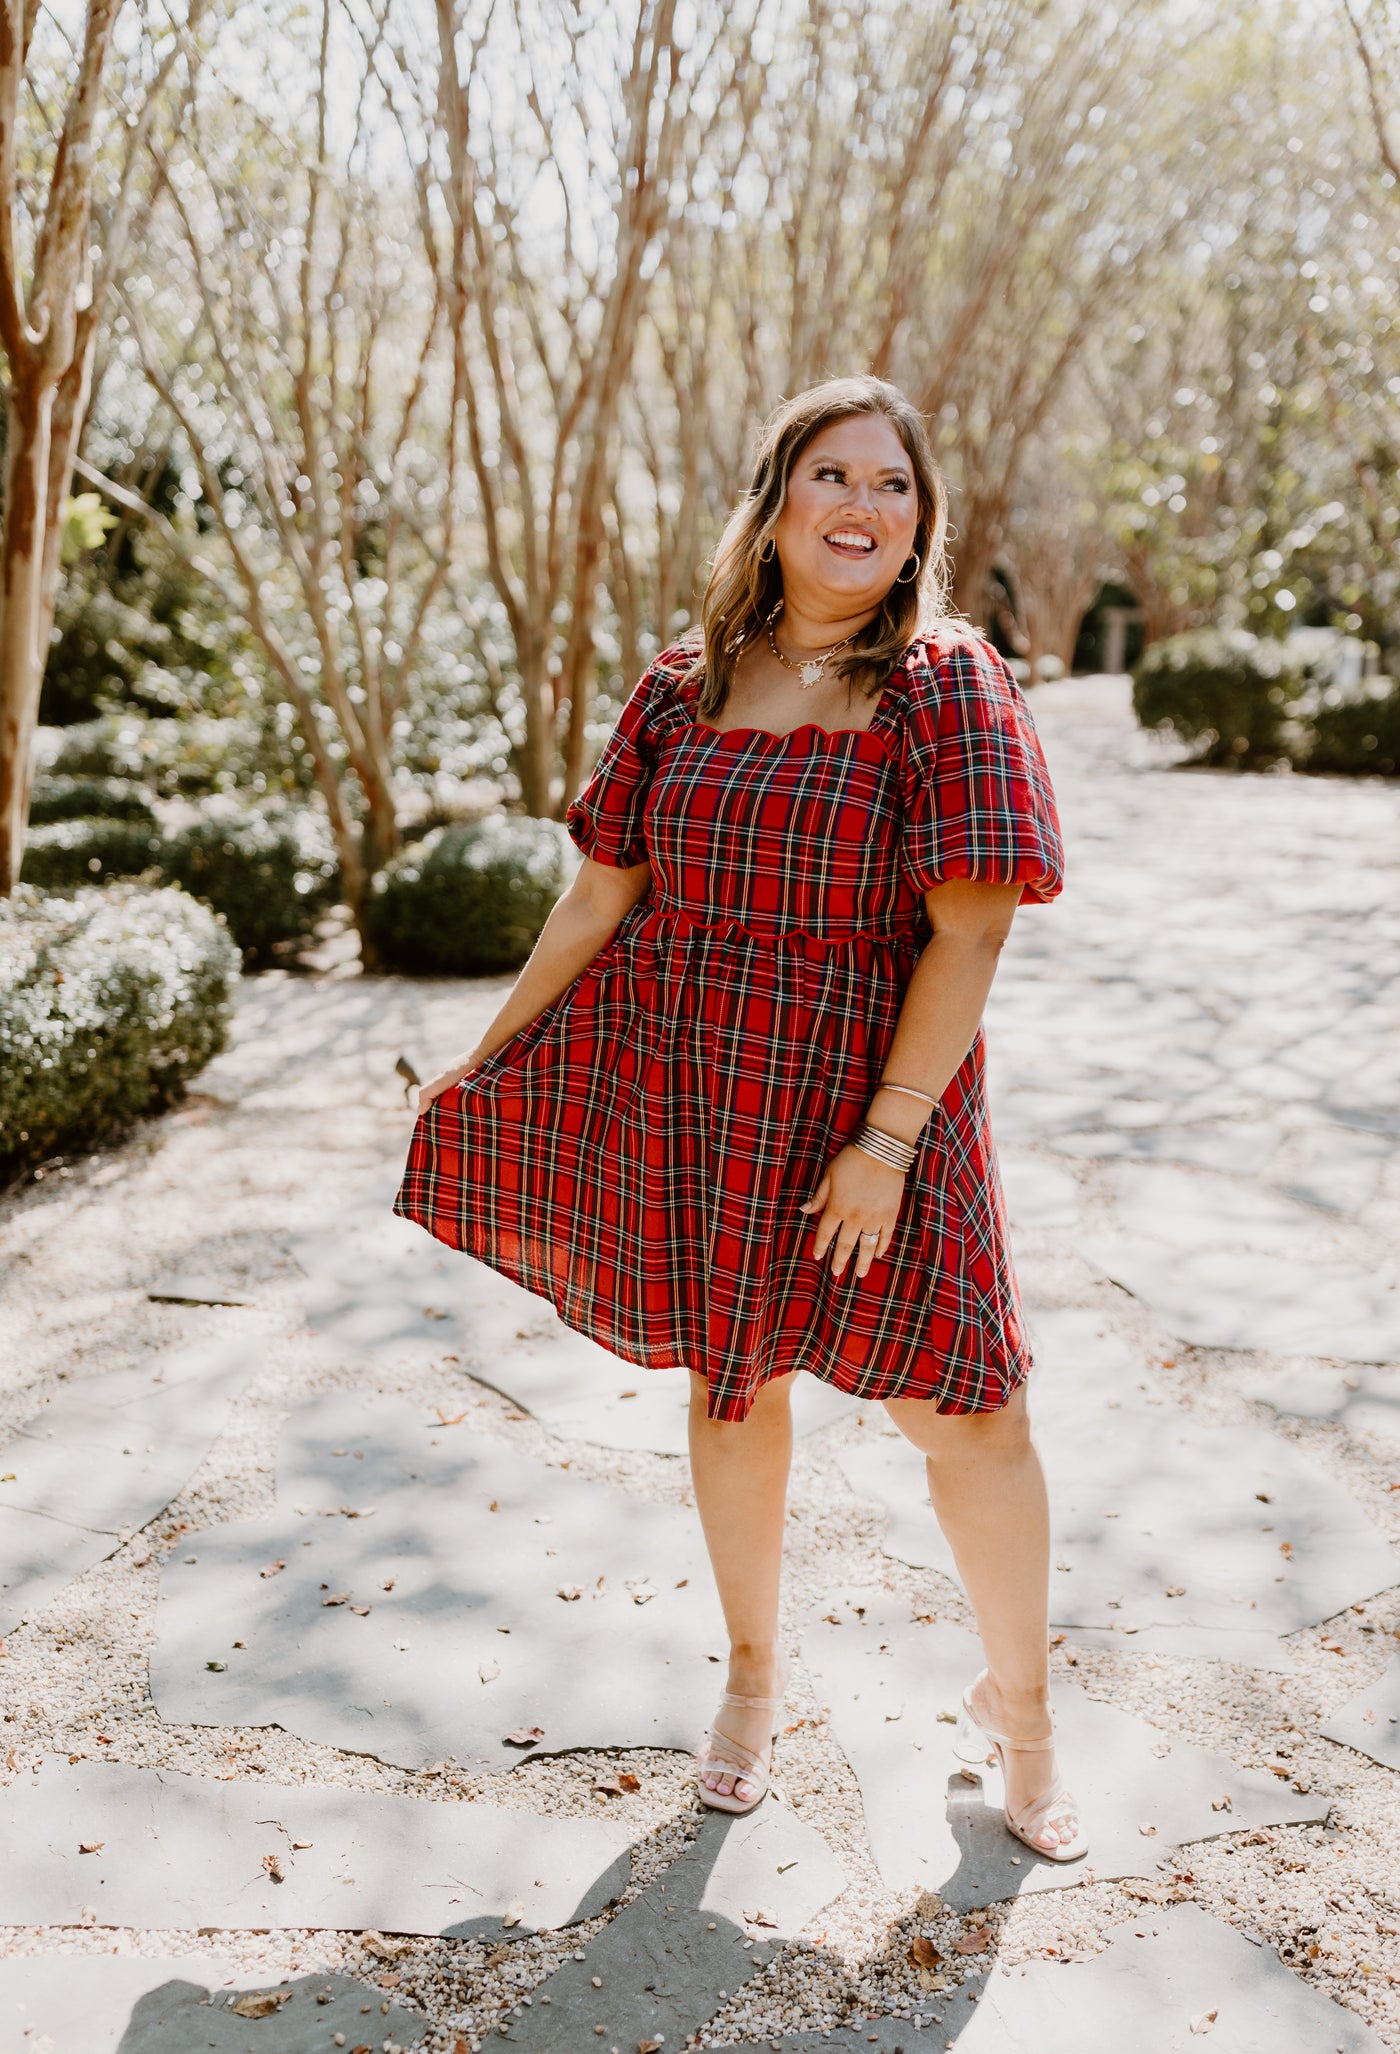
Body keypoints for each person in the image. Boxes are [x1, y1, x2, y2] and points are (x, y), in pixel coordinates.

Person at [395, 375, 1083, 1863]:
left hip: (879, 1096)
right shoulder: (683, 684)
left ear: (922, 523)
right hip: (707, 1084)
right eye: (830, 476)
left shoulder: (948, 682)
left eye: (893, 486)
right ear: (773, 509)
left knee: (969, 1410)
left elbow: (968, 935)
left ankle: (1023, 1715)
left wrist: (888, 1143)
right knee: (733, 1386)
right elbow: (601, 892)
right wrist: (485, 1054)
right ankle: (754, 1681)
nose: (861, 507)